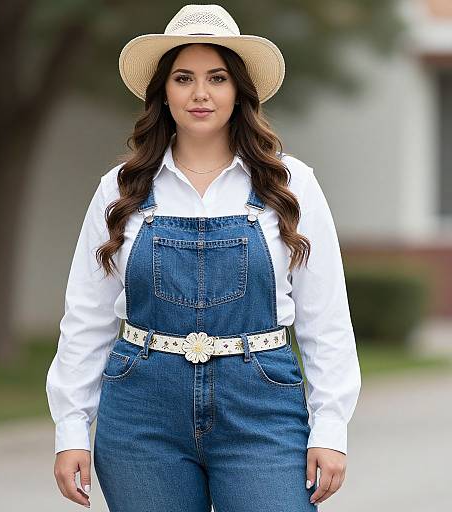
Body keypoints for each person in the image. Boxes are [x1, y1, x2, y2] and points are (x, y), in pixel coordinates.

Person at [46, 4, 361, 511]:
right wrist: (71, 428)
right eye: (183, 78)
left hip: (261, 406)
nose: (200, 93)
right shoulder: (122, 187)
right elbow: (86, 315)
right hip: (141, 413)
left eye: (216, 77)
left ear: (238, 90)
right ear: (163, 92)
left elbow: (326, 318)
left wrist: (331, 426)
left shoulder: (289, 184)